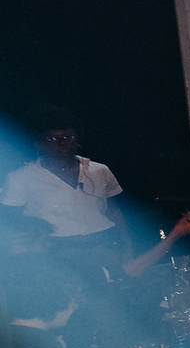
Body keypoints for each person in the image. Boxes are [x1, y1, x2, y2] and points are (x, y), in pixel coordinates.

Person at [3, 113, 124, 265]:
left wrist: (127, 247)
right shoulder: (19, 178)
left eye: (68, 137)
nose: (62, 143)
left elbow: (114, 211)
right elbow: (9, 218)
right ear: (39, 144)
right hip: (56, 251)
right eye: (52, 139)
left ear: (77, 139)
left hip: (104, 243)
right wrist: (36, 227)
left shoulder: (99, 170)